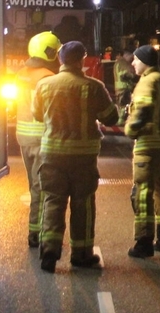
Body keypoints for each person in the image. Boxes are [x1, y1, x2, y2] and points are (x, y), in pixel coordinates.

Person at [33, 41, 119, 273]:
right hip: (82, 158)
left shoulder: (44, 85)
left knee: (52, 200)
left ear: (60, 60)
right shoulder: (94, 86)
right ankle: (81, 255)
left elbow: (38, 115)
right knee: (83, 205)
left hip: (52, 155)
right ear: (81, 60)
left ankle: (49, 251)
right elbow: (111, 118)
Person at [125, 45, 160, 258]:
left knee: (142, 194)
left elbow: (144, 109)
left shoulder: (147, 81)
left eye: (136, 60)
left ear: (145, 61)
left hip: (149, 148)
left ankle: (144, 242)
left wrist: (131, 129)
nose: (133, 63)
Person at [14, 31, 61, 248]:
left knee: (33, 185)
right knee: (41, 187)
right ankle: (37, 232)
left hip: (23, 138)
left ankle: (34, 230)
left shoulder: (20, 74)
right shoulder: (48, 77)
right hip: (43, 138)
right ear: (49, 52)